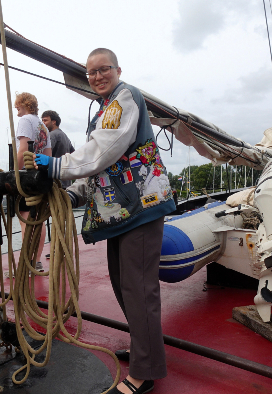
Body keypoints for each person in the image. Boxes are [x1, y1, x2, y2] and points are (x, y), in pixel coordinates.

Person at [34, 48, 174, 394]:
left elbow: (102, 151)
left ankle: (144, 373)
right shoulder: (103, 110)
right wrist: (73, 194)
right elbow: (100, 166)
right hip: (121, 213)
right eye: (91, 72)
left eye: (103, 70)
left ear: (117, 69)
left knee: (139, 289)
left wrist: (54, 167)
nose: (97, 76)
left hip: (141, 208)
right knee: (123, 284)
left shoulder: (125, 98)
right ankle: (145, 350)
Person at [14, 92, 51, 272]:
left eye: (18, 106)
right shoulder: (43, 125)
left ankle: (27, 264)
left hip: (26, 176)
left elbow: (23, 150)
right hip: (40, 175)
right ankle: (36, 261)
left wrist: (15, 172)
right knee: (39, 219)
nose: (16, 109)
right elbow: (49, 155)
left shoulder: (25, 121)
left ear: (25, 104)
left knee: (26, 219)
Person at [41, 110, 75, 189]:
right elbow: (73, 155)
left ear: (54, 122)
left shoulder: (52, 135)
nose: (43, 123)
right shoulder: (65, 136)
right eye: (42, 120)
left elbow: (45, 156)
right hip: (66, 182)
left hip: (54, 183)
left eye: (45, 120)